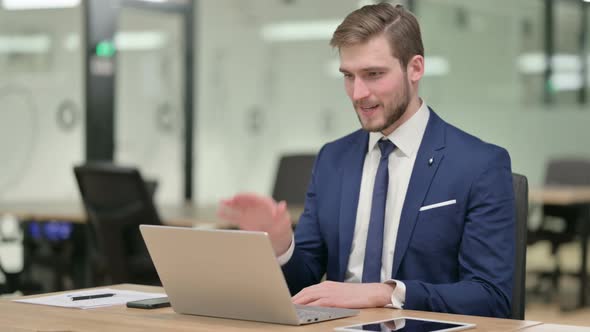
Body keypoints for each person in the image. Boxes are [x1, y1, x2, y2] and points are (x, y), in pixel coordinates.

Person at [219, 3, 515, 318]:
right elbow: (302, 282)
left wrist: (383, 293)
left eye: (374, 75)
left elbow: (490, 296)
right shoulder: (333, 159)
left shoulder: (478, 164)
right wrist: (280, 248)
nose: (358, 93)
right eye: (349, 76)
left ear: (415, 68)